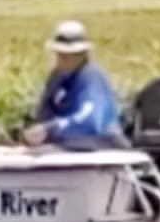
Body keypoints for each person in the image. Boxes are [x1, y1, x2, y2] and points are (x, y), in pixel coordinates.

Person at [21, 19, 130, 151]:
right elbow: (44, 114)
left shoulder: (92, 78)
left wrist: (49, 129)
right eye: (61, 54)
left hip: (103, 149)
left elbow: (89, 122)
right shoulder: (56, 78)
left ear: (84, 54)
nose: (65, 58)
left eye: (73, 54)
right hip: (65, 148)